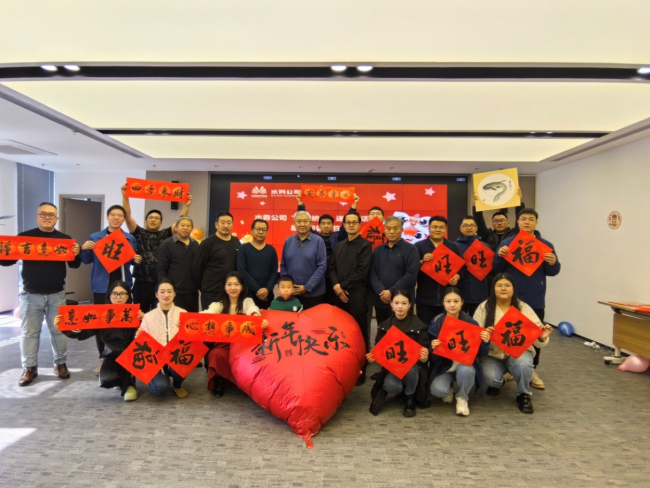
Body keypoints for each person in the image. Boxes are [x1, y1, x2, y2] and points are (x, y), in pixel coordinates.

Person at [0, 202, 81, 386]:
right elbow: (6, 263)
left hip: (56, 294)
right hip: (31, 295)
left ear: (56, 218)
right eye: (43, 214)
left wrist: (76, 253)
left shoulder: (65, 239)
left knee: (59, 331)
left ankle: (60, 364)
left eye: (51, 215)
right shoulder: (25, 237)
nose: (47, 217)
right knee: (29, 333)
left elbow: (75, 265)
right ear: (37, 216)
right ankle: (29, 368)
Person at [493, 208, 560, 390]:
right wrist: (500, 255)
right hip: (510, 299)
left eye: (531, 219)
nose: (527, 222)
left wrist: (553, 262)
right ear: (518, 222)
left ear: (536, 223)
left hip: (534, 298)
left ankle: (532, 370)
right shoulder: (508, 243)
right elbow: (496, 268)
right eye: (523, 219)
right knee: (508, 332)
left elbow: (553, 271)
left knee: (534, 334)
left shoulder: (546, 245)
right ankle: (508, 367)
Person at [473, 273, 553, 414]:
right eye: (499, 285)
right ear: (493, 288)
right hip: (493, 354)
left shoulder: (523, 307)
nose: (503, 288)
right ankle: (502, 379)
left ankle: (523, 394)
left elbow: (536, 337)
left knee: (524, 364)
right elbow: (474, 335)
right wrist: (485, 334)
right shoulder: (484, 307)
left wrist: (542, 337)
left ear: (513, 288)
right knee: (491, 379)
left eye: (507, 285)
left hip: (518, 353)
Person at [55, 280, 144, 401]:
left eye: (123, 294)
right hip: (111, 355)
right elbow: (83, 333)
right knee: (107, 380)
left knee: (128, 365)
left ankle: (129, 384)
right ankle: (121, 379)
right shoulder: (102, 315)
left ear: (128, 296)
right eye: (115, 294)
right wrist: (64, 327)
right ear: (109, 296)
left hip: (131, 355)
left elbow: (148, 336)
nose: (118, 297)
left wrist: (143, 320)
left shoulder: (135, 314)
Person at [80, 204, 141, 370]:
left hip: (123, 287)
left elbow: (131, 260)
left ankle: (124, 358)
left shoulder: (129, 238)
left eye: (120, 215)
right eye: (113, 215)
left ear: (123, 219)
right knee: (102, 323)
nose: (116, 218)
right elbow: (86, 260)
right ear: (107, 217)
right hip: (102, 287)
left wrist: (136, 260)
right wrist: (84, 249)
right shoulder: (95, 237)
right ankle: (102, 358)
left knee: (124, 323)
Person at [121, 184, 193, 312]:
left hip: (160, 282)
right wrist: (125, 196)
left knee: (159, 312)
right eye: (150, 218)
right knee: (139, 312)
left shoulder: (165, 234)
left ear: (161, 223)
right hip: (141, 281)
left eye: (157, 218)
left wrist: (186, 205)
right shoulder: (138, 232)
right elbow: (127, 216)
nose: (153, 220)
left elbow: (181, 221)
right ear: (145, 221)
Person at [203, 272, 268, 397]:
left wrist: (259, 320)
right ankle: (219, 380)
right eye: (229, 284)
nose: (233, 288)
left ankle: (245, 382)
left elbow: (252, 310)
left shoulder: (246, 301)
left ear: (242, 286)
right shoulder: (219, 305)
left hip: (243, 345)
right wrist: (188, 321)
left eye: (236, 284)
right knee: (216, 354)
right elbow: (208, 313)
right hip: (224, 346)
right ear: (224, 287)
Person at [427, 287, 490, 416]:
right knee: (437, 390)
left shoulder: (471, 323)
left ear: (462, 302)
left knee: (466, 370)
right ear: (443, 303)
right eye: (448, 301)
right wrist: (432, 348)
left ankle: (462, 398)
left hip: (464, 365)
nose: (452, 305)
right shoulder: (436, 324)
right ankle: (449, 387)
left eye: (456, 301)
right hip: (445, 368)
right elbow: (432, 360)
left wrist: (485, 341)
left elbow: (481, 354)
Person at [366, 289, 429, 417]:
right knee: (391, 386)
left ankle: (409, 397)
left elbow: (424, 357)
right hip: (393, 368)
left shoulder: (419, 326)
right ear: (391, 304)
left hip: (413, 368)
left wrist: (425, 356)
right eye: (397, 303)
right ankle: (402, 391)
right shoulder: (384, 326)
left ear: (410, 305)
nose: (400, 307)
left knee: (410, 368)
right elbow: (379, 349)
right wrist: (374, 357)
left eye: (404, 303)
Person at [329, 211, 373, 384]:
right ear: (344, 225)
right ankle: (343, 366)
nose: (351, 225)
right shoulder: (339, 245)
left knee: (359, 332)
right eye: (348, 222)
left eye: (355, 222)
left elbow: (362, 271)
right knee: (340, 332)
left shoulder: (364, 245)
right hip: (339, 294)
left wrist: (343, 286)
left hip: (356, 294)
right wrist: (336, 286)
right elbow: (332, 267)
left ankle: (361, 369)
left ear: (359, 224)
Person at [137, 279, 189, 398]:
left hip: (175, 357)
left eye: (170, 291)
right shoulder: (148, 316)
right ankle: (158, 378)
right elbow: (140, 343)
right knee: (160, 388)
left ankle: (177, 385)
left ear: (175, 294)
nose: (166, 295)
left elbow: (190, 341)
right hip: (155, 360)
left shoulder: (183, 313)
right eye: (162, 292)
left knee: (184, 362)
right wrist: (139, 336)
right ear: (156, 294)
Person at [369, 216, 420, 325]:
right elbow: (372, 272)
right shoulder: (378, 250)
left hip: (402, 301)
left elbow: (411, 275)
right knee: (382, 331)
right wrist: (381, 291)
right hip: (381, 300)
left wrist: (391, 292)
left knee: (402, 335)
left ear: (402, 230)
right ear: (384, 230)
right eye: (388, 228)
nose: (391, 231)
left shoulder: (411, 249)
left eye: (395, 228)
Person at [415, 216, 463, 327]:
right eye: (434, 227)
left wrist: (457, 276)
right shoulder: (419, 246)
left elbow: (463, 268)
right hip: (425, 298)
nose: (438, 230)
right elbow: (411, 269)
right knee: (424, 329)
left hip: (447, 299)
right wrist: (422, 262)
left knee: (446, 328)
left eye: (441, 227)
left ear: (446, 229)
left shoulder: (453, 247)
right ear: (429, 228)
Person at [280, 211, 327, 310]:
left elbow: (322, 266)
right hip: (291, 294)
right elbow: (283, 265)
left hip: (314, 294)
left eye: (305, 221)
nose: (302, 224)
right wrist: (287, 286)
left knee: (312, 324)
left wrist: (307, 287)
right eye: (299, 221)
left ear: (311, 223)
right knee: (292, 323)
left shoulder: (318, 241)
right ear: (294, 223)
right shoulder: (288, 241)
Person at [193, 212, 240, 310]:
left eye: (229, 223)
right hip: (211, 293)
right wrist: (203, 288)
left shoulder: (236, 242)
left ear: (233, 224)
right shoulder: (207, 243)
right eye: (223, 222)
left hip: (230, 292)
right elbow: (197, 267)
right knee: (211, 323)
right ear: (216, 224)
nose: (226, 225)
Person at [157, 216, 200, 313]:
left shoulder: (196, 245)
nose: (185, 228)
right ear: (176, 228)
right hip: (174, 292)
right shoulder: (167, 244)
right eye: (182, 225)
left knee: (191, 322)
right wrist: (164, 289)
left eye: (188, 226)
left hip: (192, 292)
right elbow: (161, 268)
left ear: (192, 228)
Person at [236, 219, 279, 310]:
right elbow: (242, 271)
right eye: (258, 229)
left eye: (264, 230)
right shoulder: (243, 249)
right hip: (248, 294)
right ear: (252, 230)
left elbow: (274, 271)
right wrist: (258, 290)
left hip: (267, 295)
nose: (260, 232)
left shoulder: (271, 250)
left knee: (266, 321)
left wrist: (267, 289)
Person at [456, 215, 492, 316]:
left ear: (476, 228)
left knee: (478, 324)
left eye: (472, 225)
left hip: (480, 292)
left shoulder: (485, 246)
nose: (469, 228)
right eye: (465, 225)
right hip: (460, 293)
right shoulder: (454, 247)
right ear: (460, 228)